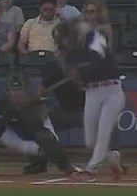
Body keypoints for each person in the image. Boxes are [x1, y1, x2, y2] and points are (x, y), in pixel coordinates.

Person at [54, 15, 126, 182]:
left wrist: (79, 67)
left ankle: (91, 170)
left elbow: (97, 56)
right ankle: (113, 159)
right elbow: (78, 78)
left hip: (111, 91)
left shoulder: (95, 38)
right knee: (90, 140)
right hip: (92, 92)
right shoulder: (71, 53)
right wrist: (76, 76)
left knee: (103, 132)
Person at [0, 74, 75, 178]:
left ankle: (67, 168)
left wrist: (25, 109)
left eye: (19, 89)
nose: (16, 93)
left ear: (25, 90)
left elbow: (36, 125)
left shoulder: (38, 104)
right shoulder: (2, 103)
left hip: (39, 138)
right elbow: (0, 124)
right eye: (13, 89)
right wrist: (12, 110)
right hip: (16, 136)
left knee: (44, 137)